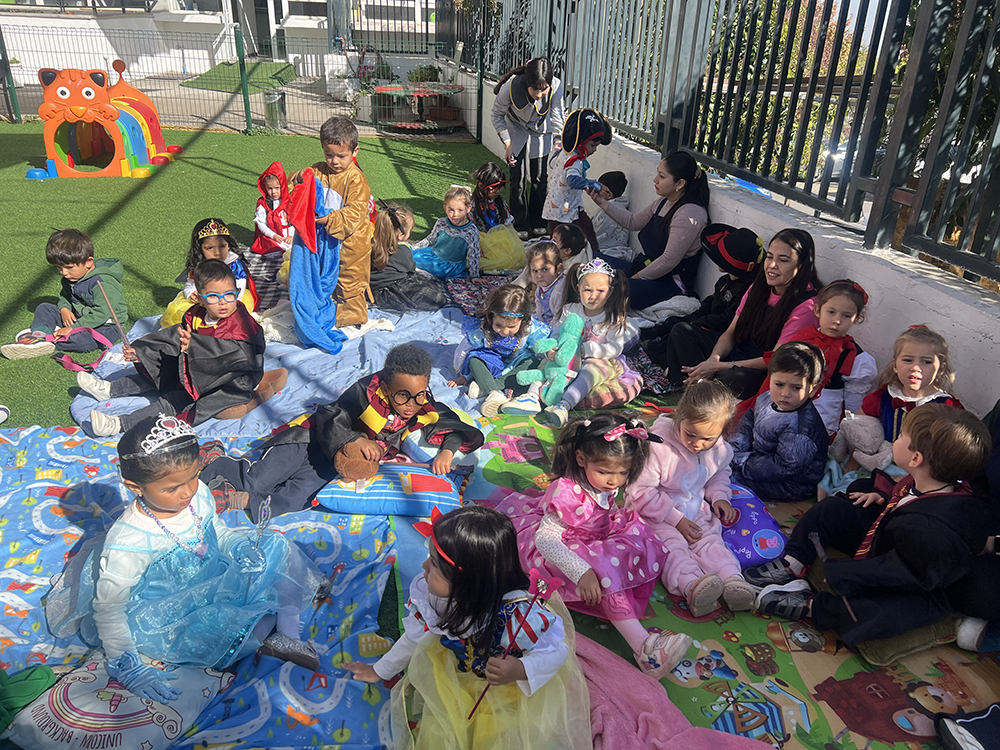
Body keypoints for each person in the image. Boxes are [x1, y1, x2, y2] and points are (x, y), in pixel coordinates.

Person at [46, 415, 327, 694]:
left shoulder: (198, 493)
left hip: (210, 573)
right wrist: (129, 666)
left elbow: (215, 531)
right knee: (228, 632)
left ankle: (289, 634)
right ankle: (264, 630)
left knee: (277, 546)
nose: (187, 492)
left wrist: (236, 546)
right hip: (163, 612)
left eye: (192, 477)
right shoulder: (129, 540)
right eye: (172, 488)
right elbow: (109, 609)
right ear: (135, 487)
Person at [744, 404, 994, 648]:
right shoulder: (933, 482)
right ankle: (794, 561)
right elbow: (906, 495)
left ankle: (812, 606)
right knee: (830, 509)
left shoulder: (931, 529)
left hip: (909, 576)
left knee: (882, 610)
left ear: (916, 458)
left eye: (902, 436)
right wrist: (884, 497)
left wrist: (846, 573)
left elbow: (898, 572)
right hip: (887, 533)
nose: (896, 439)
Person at [344, 505, 590, 750]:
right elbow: (414, 637)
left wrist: (521, 668)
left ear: (468, 581)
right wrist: (380, 670)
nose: (423, 567)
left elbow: (556, 650)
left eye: (435, 565)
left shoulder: (520, 617)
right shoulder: (435, 600)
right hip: (455, 679)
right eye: (430, 558)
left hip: (506, 693)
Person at [499, 414, 692, 679]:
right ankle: (645, 650)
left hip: (594, 538)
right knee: (603, 570)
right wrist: (582, 571)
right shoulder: (567, 492)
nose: (615, 480)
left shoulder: (605, 484)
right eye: (605, 472)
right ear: (581, 459)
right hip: (557, 549)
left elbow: (605, 507)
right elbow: (546, 540)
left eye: (623, 472)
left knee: (639, 541)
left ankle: (616, 613)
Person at [199, 344, 485, 521]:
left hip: (331, 464)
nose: (411, 405)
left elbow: (454, 427)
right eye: (402, 396)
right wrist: (357, 438)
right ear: (385, 387)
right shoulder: (365, 393)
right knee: (258, 477)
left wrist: (447, 450)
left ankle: (247, 501)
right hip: (308, 441)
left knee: (298, 497)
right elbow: (328, 415)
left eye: (419, 395)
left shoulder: (422, 402)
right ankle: (216, 460)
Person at [81, 260, 266, 437]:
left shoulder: (243, 325)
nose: (223, 302)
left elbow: (240, 357)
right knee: (159, 370)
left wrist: (195, 347)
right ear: (199, 298)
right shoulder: (196, 315)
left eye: (229, 294)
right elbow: (172, 337)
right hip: (195, 369)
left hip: (227, 383)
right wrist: (143, 352)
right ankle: (110, 389)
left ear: (237, 292)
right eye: (213, 297)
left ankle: (119, 424)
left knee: (173, 402)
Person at [627, 380, 756, 617]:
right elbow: (639, 493)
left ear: (723, 431)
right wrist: (676, 520)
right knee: (671, 547)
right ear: (678, 417)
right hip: (655, 515)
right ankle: (692, 586)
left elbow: (719, 473)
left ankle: (732, 580)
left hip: (694, 510)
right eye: (690, 434)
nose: (697, 444)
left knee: (711, 541)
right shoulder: (658, 447)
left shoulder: (719, 449)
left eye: (707, 439)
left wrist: (719, 497)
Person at [682, 227, 822, 399]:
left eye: (783, 260)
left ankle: (701, 389)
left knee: (736, 378)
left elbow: (773, 361)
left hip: (760, 371)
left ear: (801, 266)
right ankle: (700, 387)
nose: (772, 265)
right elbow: (730, 333)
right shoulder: (758, 286)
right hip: (736, 354)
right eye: (769, 257)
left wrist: (720, 367)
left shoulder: (807, 306)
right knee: (683, 332)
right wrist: (714, 360)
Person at [641, 224, 762, 387]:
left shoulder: (746, 290)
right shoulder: (724, 281)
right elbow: (710, 302)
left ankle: (681, 380)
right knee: (674, 325)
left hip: (723, 342)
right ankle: (651, 342)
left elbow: (726, 321)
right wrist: (698, 317)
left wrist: (700, 321)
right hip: (707, 326)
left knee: (681, 332)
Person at [587, 152, 710, 310]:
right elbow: (632, 221)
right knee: (591, 259)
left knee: (607, 289)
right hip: (646, 267)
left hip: (668, 282)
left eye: (662, 176)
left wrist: (634, 278)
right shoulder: (663, 202)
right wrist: (602, 202)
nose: (655, 179)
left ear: (680, 183)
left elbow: (668, 261)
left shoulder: (689, 214)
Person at [542, 259, 643, 427]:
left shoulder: (613, 317)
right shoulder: (571, 309)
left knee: (589, 372)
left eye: (600, 291)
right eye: (587, 290)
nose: (593, 295)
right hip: (568, 357)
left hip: (599, 360)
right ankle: (531, 396)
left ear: (610, 292)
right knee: (546, 364)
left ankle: (564, 404)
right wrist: (552, 349)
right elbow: (558, 332)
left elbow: (615, 348)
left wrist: (587, 349)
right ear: (578, 288)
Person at [2, 229, 127, 360]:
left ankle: (47, 340)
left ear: (89, 262)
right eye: (59, 268)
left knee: (83, 343)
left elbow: (102, 313)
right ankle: (39, 335)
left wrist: (73, 328)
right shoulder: (71, 277)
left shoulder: (103, 282)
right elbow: (65, 296)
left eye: (69, 267)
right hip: (78, 317)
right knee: (44, 308)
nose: (64, 273)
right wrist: (64, 309)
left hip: (107, 325)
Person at [730, 341, 829, 502]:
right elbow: (749, 419)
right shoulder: (767, 397)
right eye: (779, 384)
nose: (785, 393)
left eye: (796, 388)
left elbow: (784, 467)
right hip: (755, 460)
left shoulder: (801, 430)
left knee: (725, 478)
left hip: (789, 483)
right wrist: (735, 447)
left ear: (813, 389)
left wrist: (740, 461)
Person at [775, 280, 877, 434]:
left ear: (856, 319)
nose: (836, 320)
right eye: (831, 312)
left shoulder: (854, 356)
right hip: (789, 403)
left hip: (823, 415)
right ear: (817, 310)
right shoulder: (804, 338)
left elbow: (853, 403)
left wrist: (848, 430)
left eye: (846, 315)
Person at [308, 116, 375, 327]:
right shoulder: (319, 170)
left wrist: (330, 218)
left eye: (341, 156)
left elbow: (355, 212)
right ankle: (330, 302)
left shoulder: (355, 178)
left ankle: (354, 312)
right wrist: (298, 180)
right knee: (325, 273)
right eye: (329, 155)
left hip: (352, 241)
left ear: (355, 152)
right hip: (326, 239)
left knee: (350, 276)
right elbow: (302, 183)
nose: (335, 161)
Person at [491, 57, 566, 239]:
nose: (540, 94)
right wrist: (508, 143)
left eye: (544, 89)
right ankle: (519, 223)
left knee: (539, 176)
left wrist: (558, 138)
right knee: (518, 176)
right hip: (515, 128)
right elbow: (497, 115)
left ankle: (538, 221)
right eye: (535, 89)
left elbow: (557, 113)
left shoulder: (556, 85)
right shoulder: (510, 86)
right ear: (526, 83)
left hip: (541, 130)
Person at [447, 285, 550, 417]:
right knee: (473, 358)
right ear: (491, 317)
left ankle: (487, 387)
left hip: (516, 363)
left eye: (512, 326)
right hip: (491, 362)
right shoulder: (482, 328)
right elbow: (467, 349)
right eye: (499, 325)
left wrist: (549, 352)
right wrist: (465, 376)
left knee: (533, 362)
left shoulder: (531, 329)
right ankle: (494, 392)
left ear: (523, 320)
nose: (505, 331)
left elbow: (541, 346)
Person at [861, 325, 962, 442]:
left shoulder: (946, 405)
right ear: (895, 365)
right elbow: (858, 423)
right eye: (908, 360)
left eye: (926, 362)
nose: (915, 367)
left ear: (940, 369)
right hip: (883, 457)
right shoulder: (885, 395)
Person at [160, 218, 258, 328]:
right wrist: (191, 293)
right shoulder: (200, 265)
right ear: (200, 249)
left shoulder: (233, 264)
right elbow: (190, 286)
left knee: (235, 315)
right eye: (210, 248)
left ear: (229, 245)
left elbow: (239, 288)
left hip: (231, 299)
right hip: (204, 299)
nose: (217, 253)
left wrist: (230, 301)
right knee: (176, 311)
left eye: (222, 246)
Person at [541, 107, 612, 253]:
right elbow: (572, 180)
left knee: (582, 233)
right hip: (563, 211)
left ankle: (592, 259)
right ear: (580, 142)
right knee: (567, 241)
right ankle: (591, 260)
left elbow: (552, 163)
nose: (594, 150)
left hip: (564, 208)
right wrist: (594, 185)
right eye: (592, 145)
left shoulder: (564, 153)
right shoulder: (574, 161)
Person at [369, 202, 449, 312]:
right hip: (393, 293)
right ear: (400, 235)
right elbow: (411, 270)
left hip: (372, 292)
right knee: (438, 297)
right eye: (409, 231)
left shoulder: (366, 248)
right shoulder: (403, 252)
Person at [411, 186, 481, 279]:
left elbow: (474, 254)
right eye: (451, 210)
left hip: (449, 265)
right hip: (433, 254)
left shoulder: (471, 231)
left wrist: (474, 275)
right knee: (409, 257)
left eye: (460, 210)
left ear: (468, 208)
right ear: (445, 208)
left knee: (430, 271)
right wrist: (414, 248)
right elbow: (431, 239)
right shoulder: (441, 223)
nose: (455, 214)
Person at [511, 222, 590, 289]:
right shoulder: (557, 252)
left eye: (554, 241)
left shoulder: (572, 268)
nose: (550, 242)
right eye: (551, 238)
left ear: (567, 250)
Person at [250, 160, 293, 255]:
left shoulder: (290, 201)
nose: (273, 192)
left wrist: (292, 236)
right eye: (270, 188)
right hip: (273, 238)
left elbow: (298, 221)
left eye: (277, 188)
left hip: (291, 237)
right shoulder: (264, 204)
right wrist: (273, 235)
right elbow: (261, 223)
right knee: (274, 251)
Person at [590, 170, 631, 255]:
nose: (596, 191)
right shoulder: (612, 206)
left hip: (608, 252)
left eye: (599, 188)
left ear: (609, 194)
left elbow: (597, 239)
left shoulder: (611, 211)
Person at [525, 240, 566, 325]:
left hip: (559, 324)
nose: (539, 275)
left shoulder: (560, 289)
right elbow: (539, 310)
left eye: (545, 269)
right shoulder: (542, 285)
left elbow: (559, 317)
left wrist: (549, 332)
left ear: (559, 268)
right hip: (548, 322)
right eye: (535, 271)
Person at [469, 162, 514, 231]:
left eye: (500, 187)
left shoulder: (501, 203)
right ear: (480, 184)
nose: (497, 191)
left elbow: (508, 224)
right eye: (493, 188)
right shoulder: (472, 206)